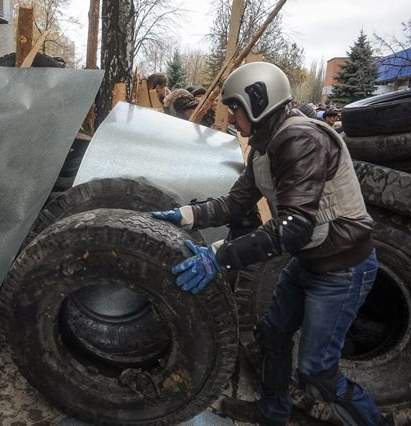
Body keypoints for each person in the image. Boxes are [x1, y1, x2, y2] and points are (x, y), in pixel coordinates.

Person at [151, 62, 386, 426]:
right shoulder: (264, 146)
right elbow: (234, 203)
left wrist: (220, 256)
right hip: (311, 260)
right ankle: (273, 412)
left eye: (235, 106)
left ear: (258, 101)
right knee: (271, 335)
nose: (230, 114)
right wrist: (185, 215)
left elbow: (294, 227)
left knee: (317, 372)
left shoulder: (301, 139)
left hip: (342, 266)